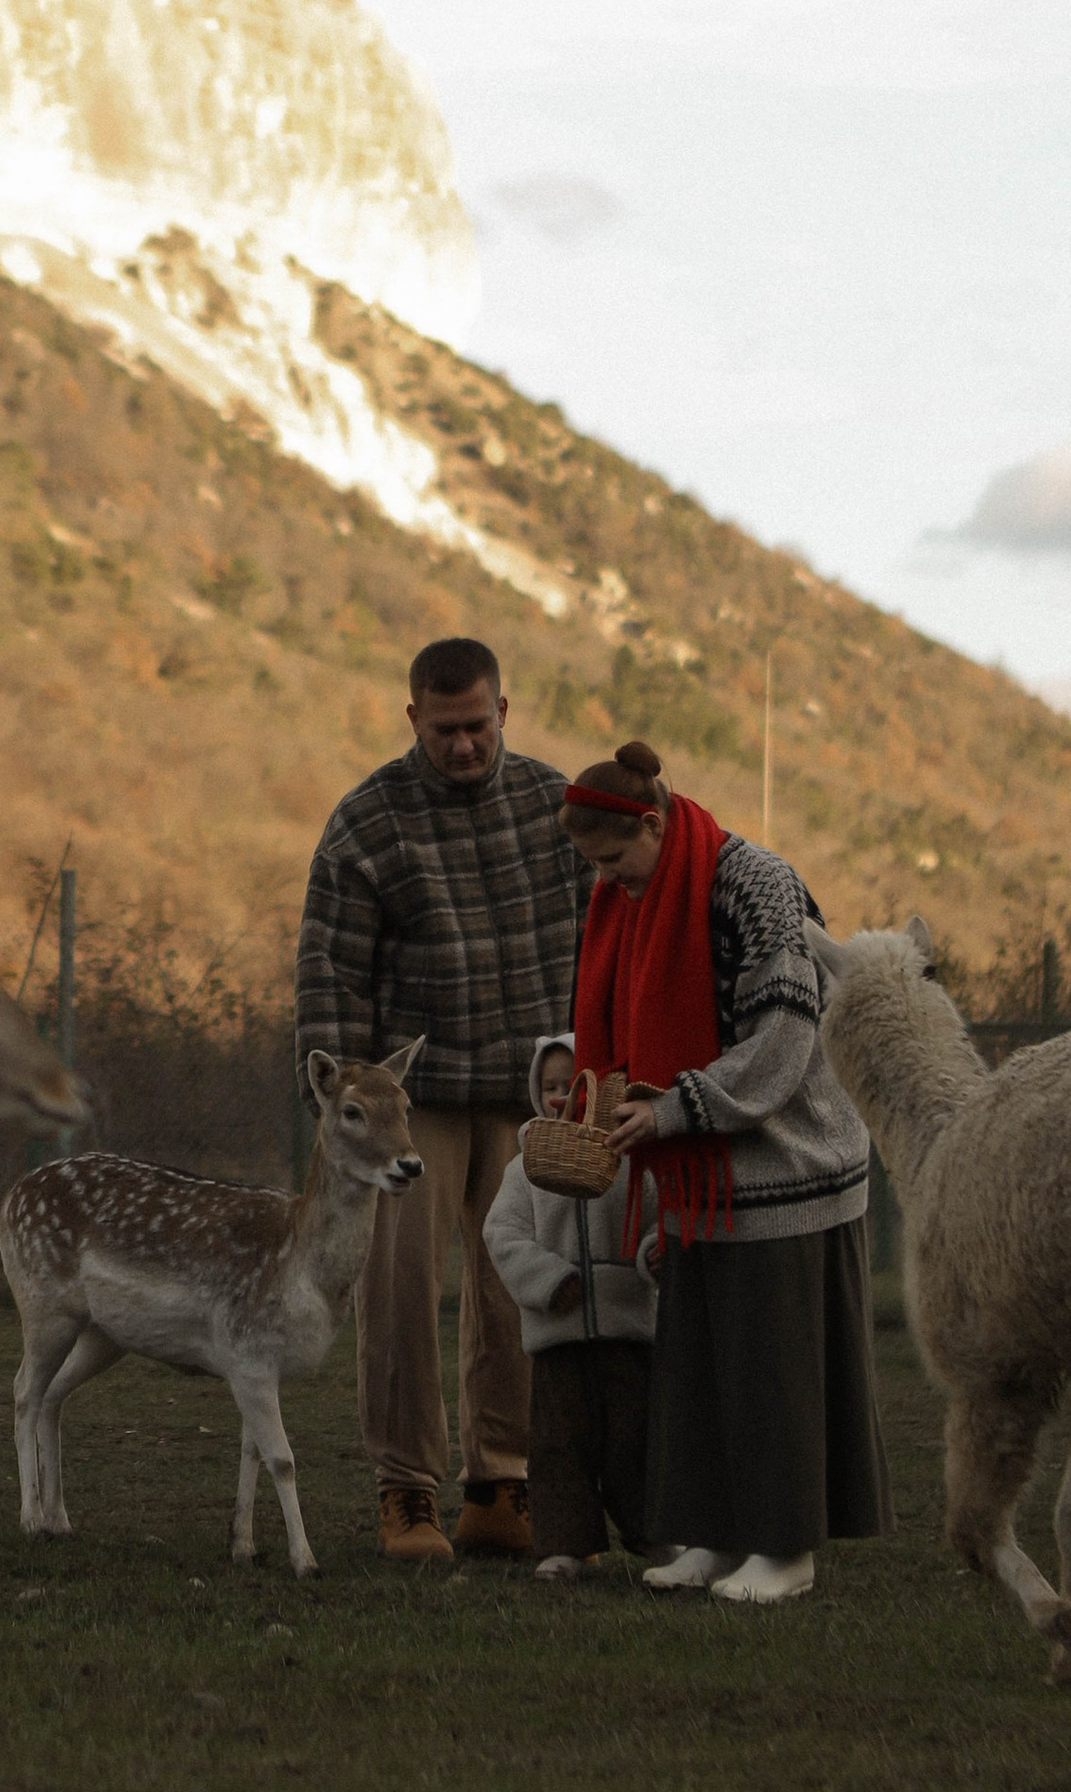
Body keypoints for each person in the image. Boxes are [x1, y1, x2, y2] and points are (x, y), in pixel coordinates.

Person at [563, 737, 890, 1605]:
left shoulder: (757, 885)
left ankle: (784, 1552)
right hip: (705, 1174)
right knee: (699, 1366)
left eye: (615, 861)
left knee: (771, 1368)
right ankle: (711, 1537)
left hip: (789, 1160)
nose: (609, 882)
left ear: (654, 824)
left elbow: (785, 1036)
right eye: (596, 868)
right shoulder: (636, 896)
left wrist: (674, 1109)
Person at [295, 635, 588, 1564]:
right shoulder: (367, 824)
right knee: (399, 1297)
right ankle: (407, 1491)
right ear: (413, 717)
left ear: (503, 711)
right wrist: (340, 1115)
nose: (462, 745)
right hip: (409, 1111)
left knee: (517, 1292)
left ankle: (501, 1485)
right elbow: (331, 977)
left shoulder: (556, 808)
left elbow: (604, 939)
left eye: (476, 727)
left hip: (530, 1096)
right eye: (444, 729)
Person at [483, 1032, 657, 1579]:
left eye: (572, 1083)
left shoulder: (634, 1160)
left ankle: (656, 1536)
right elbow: (502, 1234)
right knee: (558, 1446)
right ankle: (564, 1545)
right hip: (556, 1337)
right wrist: (549, 1280)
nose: (560, 1096)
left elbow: (659, 1224)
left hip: (629, 1335)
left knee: (638, 1440)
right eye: (550, 1086)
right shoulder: (525, 1169)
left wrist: (653, 1256)